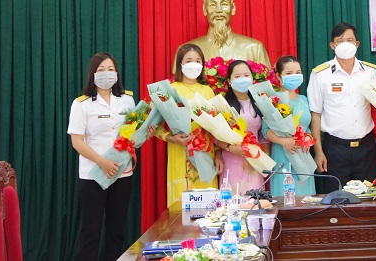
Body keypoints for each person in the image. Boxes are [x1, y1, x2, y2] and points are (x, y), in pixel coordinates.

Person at [68, 52, 142, 261]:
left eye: (111, 69)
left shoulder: (127, 100)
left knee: (116, 230)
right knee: (91, 232)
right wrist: (101, 161)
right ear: (92, 74)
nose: (106, 74)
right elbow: (77, 141)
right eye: (101, 70)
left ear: (117, 73)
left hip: (122, 173)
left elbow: (133, 135)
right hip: (94, 174)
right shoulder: (81, 104)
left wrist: (145, 131)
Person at [308, 22, 376, 188]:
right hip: (335, 150)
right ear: (332, 45)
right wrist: (318, 152)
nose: (345, 44)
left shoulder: (370, 72)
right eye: (340, 41)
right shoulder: (320, 74)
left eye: (350, 40)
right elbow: (315, 114)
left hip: (366, 149)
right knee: (337, 198)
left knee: (369, 199)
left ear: (357, 44)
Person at [156, 43, 223, 206]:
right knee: (183, 209)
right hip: (180, 152)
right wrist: (171, 138)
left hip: (206, 153)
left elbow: (217, 129)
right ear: (180, 64)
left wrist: (218, 154)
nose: (194, 64)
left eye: (198, 61)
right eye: (189, 60)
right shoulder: (170, 90)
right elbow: (154, 127)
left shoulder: (207, 91)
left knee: (208, 208)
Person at [176, 0, 271, 68]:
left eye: (224, 4)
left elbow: (266, 81)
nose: (219, 10)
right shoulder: (184, 52)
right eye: (213, 5)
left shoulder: (255, 48)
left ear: (233, 8)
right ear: (204, 9)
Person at [261, 56, 316, 196]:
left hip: (303, 155)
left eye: (298, 72)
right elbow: (265, 130)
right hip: (283, 153)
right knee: (285, 196)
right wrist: (284, 141)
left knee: (305, 198)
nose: (295, 76)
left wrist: (308, 138)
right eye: (289, 73)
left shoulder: (304, 99)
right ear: (279, 76)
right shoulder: (273, 100)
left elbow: (306, 126)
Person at [213, 60, 271, 193]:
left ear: (252, 78)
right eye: (237, 76)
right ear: (229, 80)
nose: (243, 79)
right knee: (232, 199)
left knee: (254, 200)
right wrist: (229, 147)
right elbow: (214, 136)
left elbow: (263, 135)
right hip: (231, 159)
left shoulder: (260, 103)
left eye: (246, 75)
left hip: (255, 159)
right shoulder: (223, 105)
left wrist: (264, 158)